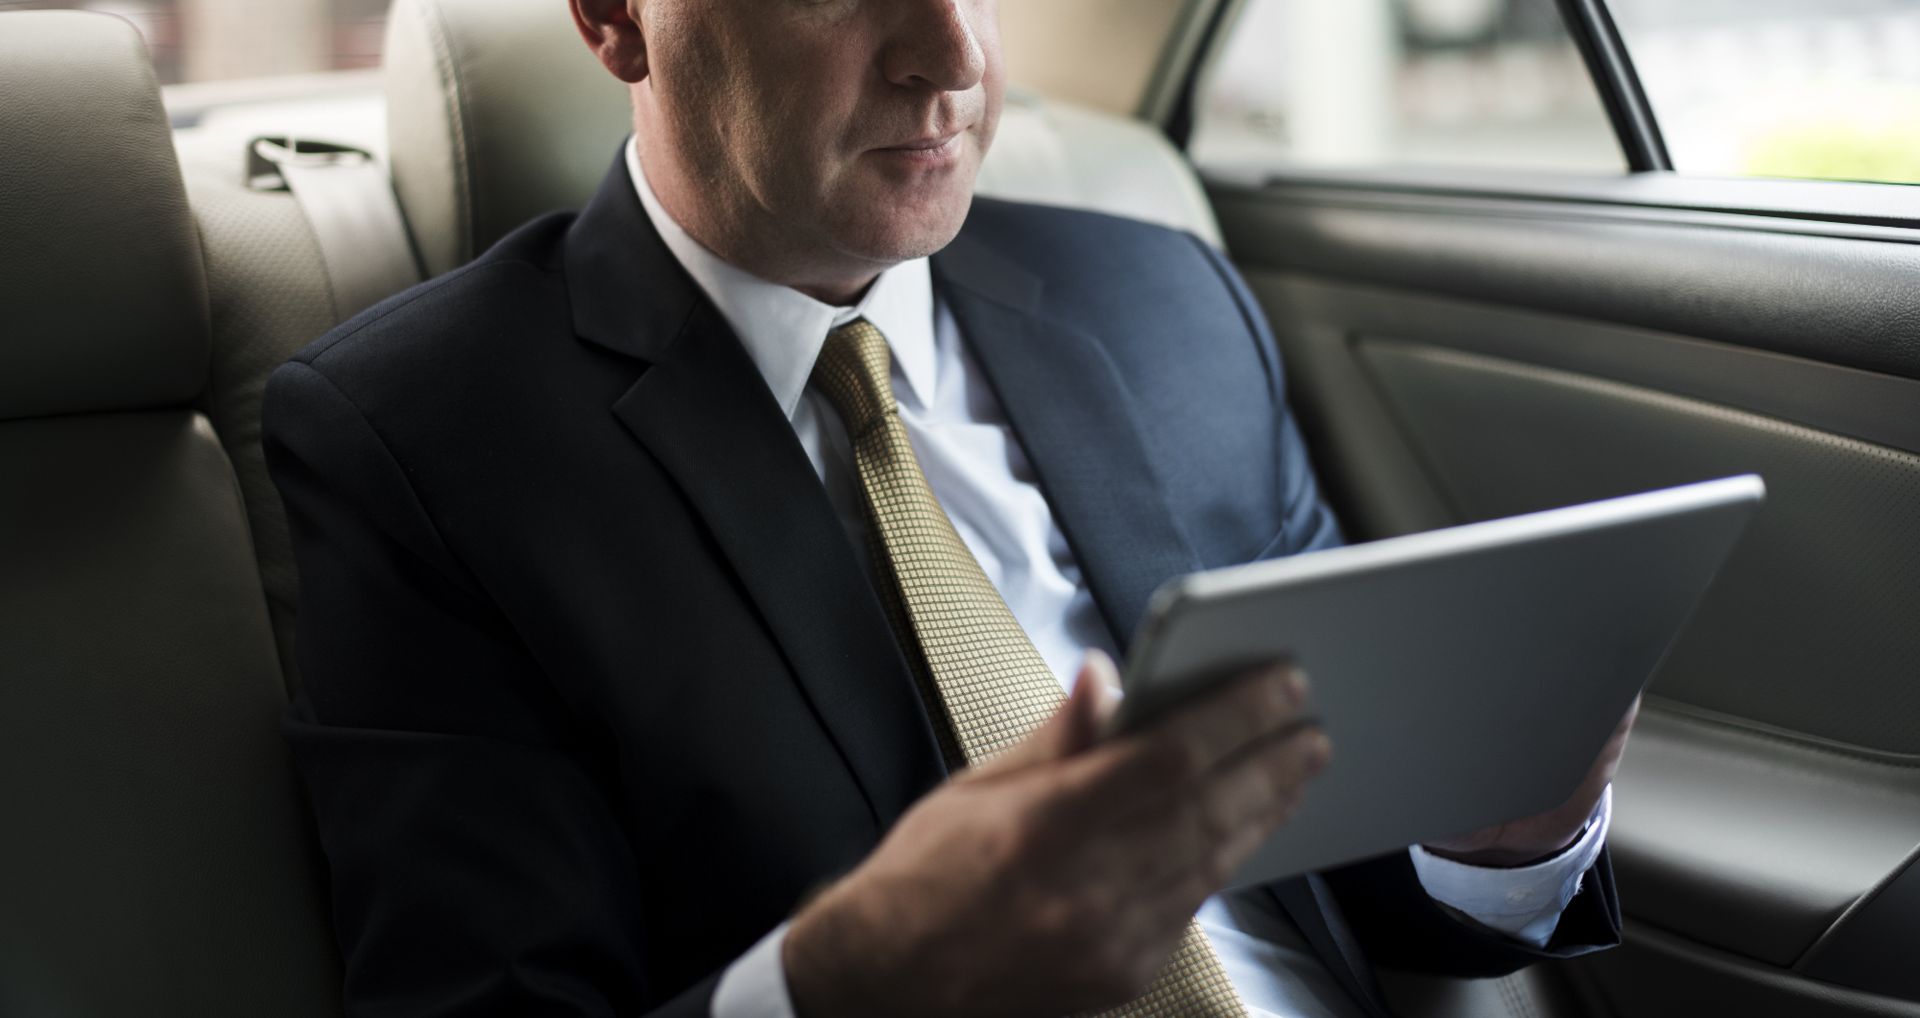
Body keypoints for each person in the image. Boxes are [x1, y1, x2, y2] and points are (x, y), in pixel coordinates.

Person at [262, 1, 1631, 1015]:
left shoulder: (1170, 305)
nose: (953, 53)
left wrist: (1501, 836)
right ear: (619, 18)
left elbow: (1356, 862)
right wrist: (854, 974)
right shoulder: (418, 445)